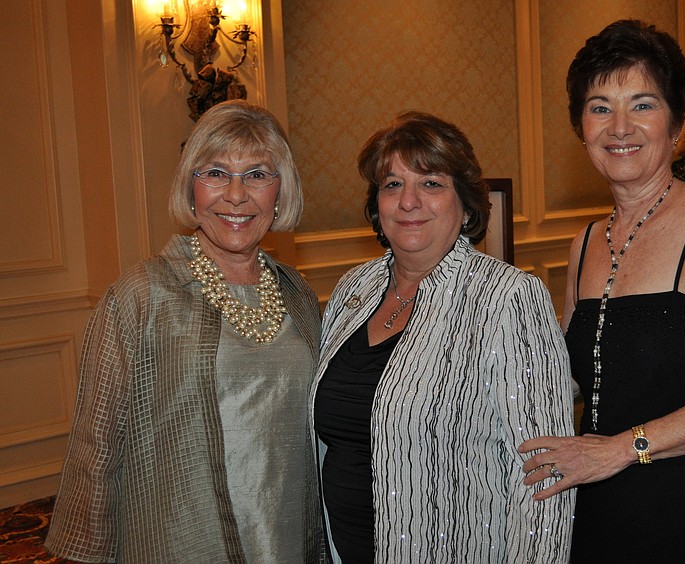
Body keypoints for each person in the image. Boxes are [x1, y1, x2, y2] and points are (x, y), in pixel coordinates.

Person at [518, 20, 685, 562]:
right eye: (599, 108)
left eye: (642, 104)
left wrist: (621, 449)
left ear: (676, 123)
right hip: (596, 501)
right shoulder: (585, 242)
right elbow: (577, 378)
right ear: (580, 128)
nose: (619, 127)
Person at [44, 100, 324, 563]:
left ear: (281, 191)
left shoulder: (297, 294)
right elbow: (96, 444)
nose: (236, 195)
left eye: (257, 174)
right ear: (191, 188)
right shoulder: (142, 295)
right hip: (181, 538)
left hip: (288, 532)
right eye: (215, 173)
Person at [311, 111, 575, 563]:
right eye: (392, 185)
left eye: (431, 183)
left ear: (466, 205)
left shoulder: (507, 297)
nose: (408, 201)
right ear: (377, 204)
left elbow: (545, 470)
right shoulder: (353, 290)